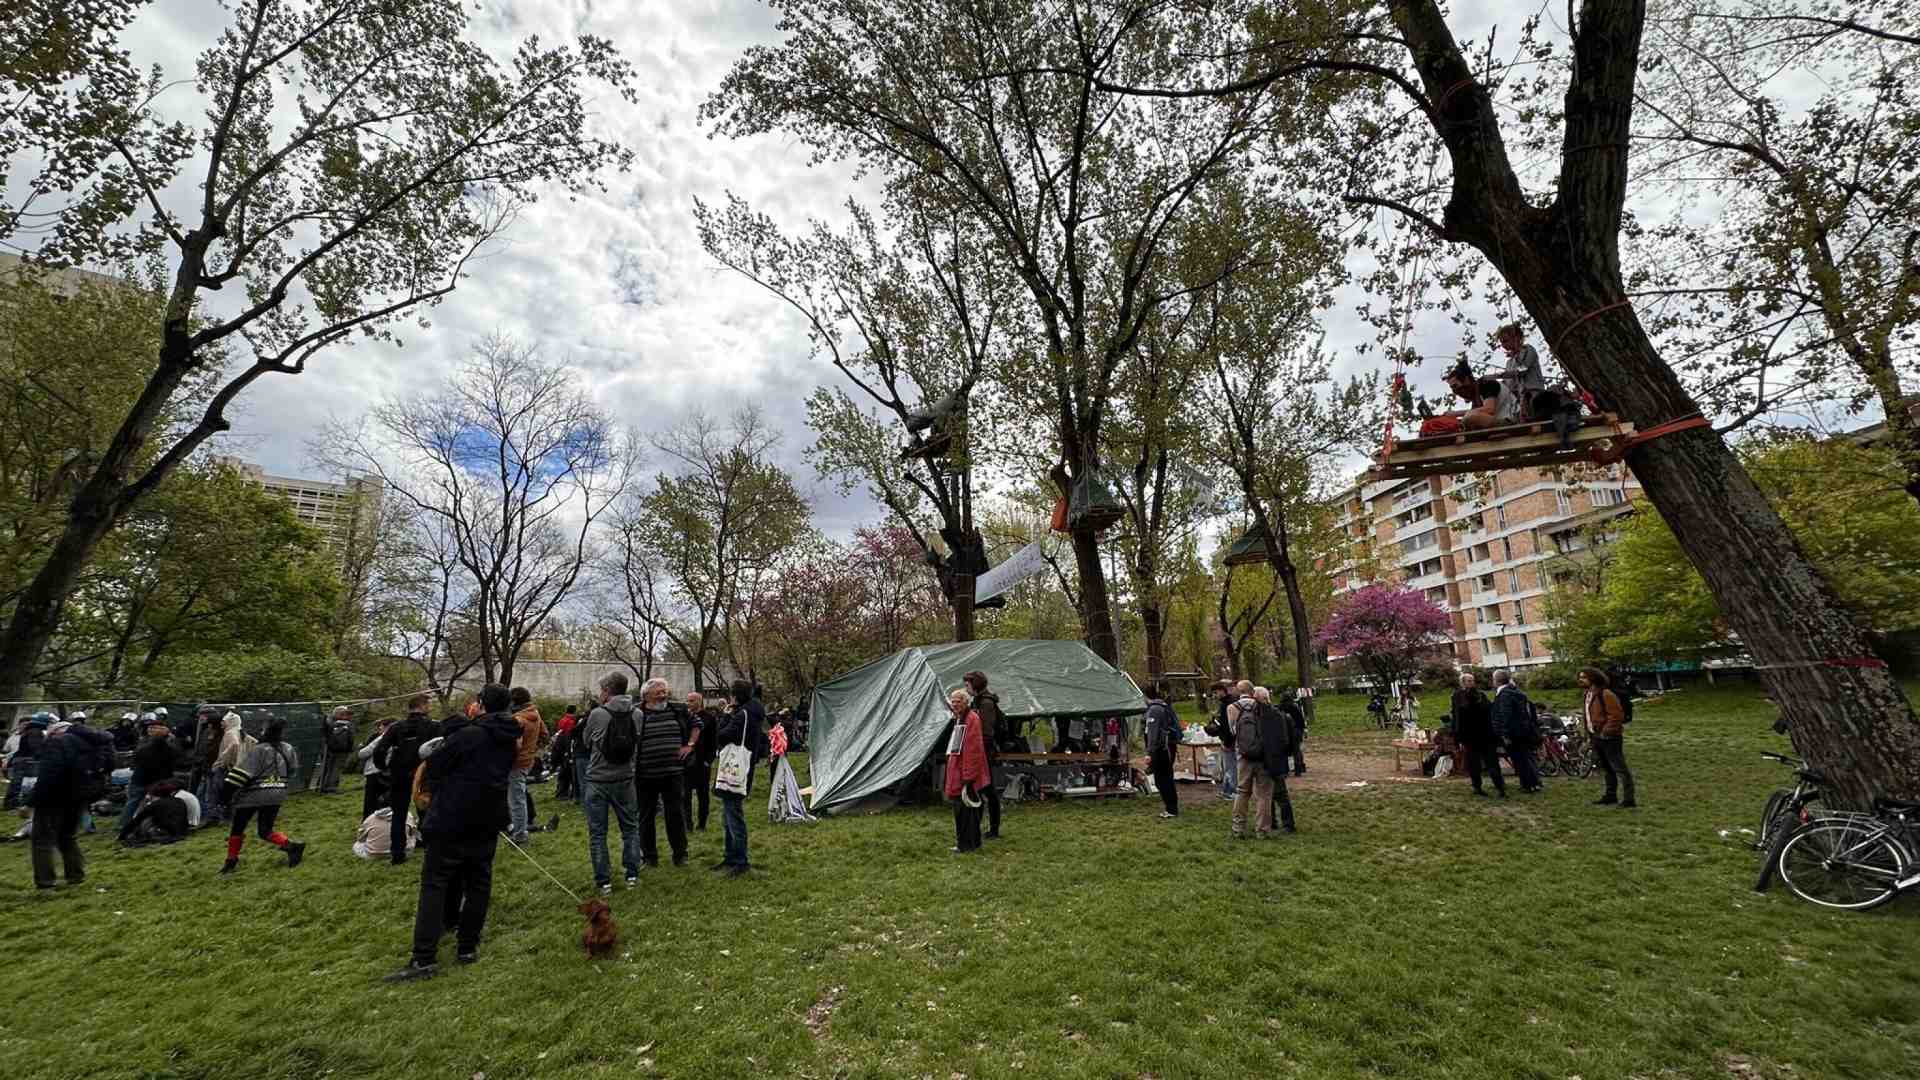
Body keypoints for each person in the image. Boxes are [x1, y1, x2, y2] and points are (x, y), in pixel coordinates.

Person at [386, 683, 521, 981]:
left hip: (453, 818)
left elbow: (434, 768)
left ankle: (424, 958)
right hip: (488, 818)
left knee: (435, 883)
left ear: (482, 704)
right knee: (478, 882)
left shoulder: (467, 736)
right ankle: (467, 947)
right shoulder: (509, 738)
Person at [29, 718, 113, 889]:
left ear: (57, 732)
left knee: (42, 840)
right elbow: (109, 766)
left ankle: (45, 881)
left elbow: (48, 775)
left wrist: (30, 802)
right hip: (79, 796)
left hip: (52, 797)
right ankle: (75, 875)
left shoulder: (57, 743)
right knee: (68, 836)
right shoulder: (97, 743)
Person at [219, 715, 307, 874]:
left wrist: (224, 797)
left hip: (253, 796)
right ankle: (291, 846)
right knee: (265, 830)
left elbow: (240, 775)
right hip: (278, 793)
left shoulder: (259, 750)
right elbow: (292, 771)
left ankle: (231, 861)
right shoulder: (288, 748)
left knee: (238, 828)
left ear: (265, 731)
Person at [582, 671, 644, 894]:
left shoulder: (598, 714)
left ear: (607, 691)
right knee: (630, 828)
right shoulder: (638, 714)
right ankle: (632, 876)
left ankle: (604, 882)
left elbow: (586, 740)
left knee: (598, 833)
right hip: (625, 778)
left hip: (598, 778)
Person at [632, 678, 689, 869]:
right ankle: (649, 856)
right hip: (645, 774)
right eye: (658, 692)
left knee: (675, 814)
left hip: (673, 773)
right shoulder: (636, 713)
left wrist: (690, 745)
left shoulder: (677, 710)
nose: (663, 695)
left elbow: (698, 723)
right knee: (646, 816)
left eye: (665, 691)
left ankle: (680, 855)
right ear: (646, 695)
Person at [713, 679, 767, 876]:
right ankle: (731, 857)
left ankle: (739, 860)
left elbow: (722, 735)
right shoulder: (754, 712)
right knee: (729, 813)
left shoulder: (741, 714)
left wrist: (726, 716)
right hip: (746, 765)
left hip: (736, 768)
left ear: (735, 696)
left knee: (733, 815)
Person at [383, 695, 441, 865]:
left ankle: (397, 853)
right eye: (428, 704)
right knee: (426, 811)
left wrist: (384, 768)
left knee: (398, 814)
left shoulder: (396, 727)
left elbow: (381, 749)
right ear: (422, 706)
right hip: (424, 774)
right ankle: (431, 848)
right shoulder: (434, 726)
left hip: (399, 773)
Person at [1579, 667, 1637, 808]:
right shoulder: (1587, 694)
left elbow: (1616, 715)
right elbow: (1588, 716)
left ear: (1593, 678)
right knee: (1606, 768)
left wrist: (1606, 732)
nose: (1580, 680)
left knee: (1619, 767)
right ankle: (1610, 796)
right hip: (1596, 736)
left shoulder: (1605, 694)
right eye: (1580, 677)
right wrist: (1589, 734)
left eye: (1584, 677)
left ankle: (1629, 799)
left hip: (1609, 737)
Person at [943, 687, 990, 854]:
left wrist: (968, 776)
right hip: (961, 771)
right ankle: (970, 843)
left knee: (965, 810)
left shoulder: (971, 719)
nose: (955, 704)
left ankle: (966, 845)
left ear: (966, 702)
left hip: (965, 773)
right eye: (953, 701)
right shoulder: (961, 718)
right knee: (967, 810)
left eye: (958, 701)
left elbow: (973, 749)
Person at [961, 671, 1004, 839]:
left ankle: (993, 829)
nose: (966, 688)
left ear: (975, 684)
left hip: (984, 751)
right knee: (983, 788)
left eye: (967, 685)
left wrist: (978, 753)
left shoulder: (986, 703)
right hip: (979, 751)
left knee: (988, 789)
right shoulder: (977, 701)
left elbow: (986, 732)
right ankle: (979, 827)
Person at [1228, 686, 1275, 839]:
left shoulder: (1232, 708)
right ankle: (1262, 830)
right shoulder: (1262, 706)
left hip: (1243, 756)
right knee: (1264, 795)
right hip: (1262, 757)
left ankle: (1238, 828)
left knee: (1242, 792)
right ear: (1252, 690)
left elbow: (1233, 732)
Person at [121, 713, 177, 834]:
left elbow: (174, 755)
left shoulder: (165, 743)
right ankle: (125, 826)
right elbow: (139, 757)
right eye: (150, 728)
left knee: (145, 803)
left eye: (155, 728)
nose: (151, 729)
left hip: (155, 779)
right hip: (145, 778)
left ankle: (147, 825)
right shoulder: (145, 742)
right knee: (134, 802)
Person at [1451, 673, 1505, 798]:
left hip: (1485, 734)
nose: (1471, 683)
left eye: (1472, 680)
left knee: (1492, 762)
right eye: (1468, 681)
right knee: (1474, 763)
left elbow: (1489, 712)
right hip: (1470, 736)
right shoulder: (1458, 696)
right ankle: (1477, 786)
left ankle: (1500, 787)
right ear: (1463, 683)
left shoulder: (1481, 695)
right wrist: (1457, 735)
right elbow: (1457, 716)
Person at [507, 687, 549, 846]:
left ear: (514, 701)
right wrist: (532, 750)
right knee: (519, 797)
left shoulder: (518, 720)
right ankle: (519, 830)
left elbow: (515, 745)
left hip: (515, 763)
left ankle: (520, 835)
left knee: (516, 800)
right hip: (527, 762)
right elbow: (545, 736)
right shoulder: (536, 715)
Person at [1490, 669, 1542, 793]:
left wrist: (1504, 733)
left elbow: (1505, 715)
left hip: (1513, 733)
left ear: (1496, 681)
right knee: (1527, 757)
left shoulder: (1504, 695)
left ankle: (1528, 785)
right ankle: (1535, 783)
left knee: (1520, 760)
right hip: (1524, 730)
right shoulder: (1517, 692)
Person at [1259, 688, 1300, 834]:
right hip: (1278, 760)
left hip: (1271, 760)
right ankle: (1280, 823)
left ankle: (1283, 824)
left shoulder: (1267, 716)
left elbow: (1283, 740)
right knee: (1275, 795)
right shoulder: (1281, 715)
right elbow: (1290, 740)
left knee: (1275, 794)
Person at [1144, 682, 1181, 819]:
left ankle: (1171, 809)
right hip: (1168, 746)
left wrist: (1149, 753)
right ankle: (1171, 807)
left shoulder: (1154, 710)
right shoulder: (1164, 706)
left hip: (1161, 748)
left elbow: (1153, 733)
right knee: (1166, 778)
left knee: (1162, 780)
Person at [119, 781, 191, 846]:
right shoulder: (179, 800)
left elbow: (136, 820)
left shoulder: (155, 804)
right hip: (183, 832)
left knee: (147, 820)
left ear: (156, 795)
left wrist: (122, 835)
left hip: (166, 833)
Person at [681, 691, 712, 831]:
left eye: (692, 700)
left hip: (702, 762)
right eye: (688, 700)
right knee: (685, 795)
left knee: (703, 795)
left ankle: (702, 823)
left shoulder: (709, 718)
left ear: (699, 701)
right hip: (686, 762)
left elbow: (714, 739)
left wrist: (708, 760)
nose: (689, 703)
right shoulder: (684, 717)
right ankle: (688, 824)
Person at [5, 712, 48, 810]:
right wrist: (41, 755)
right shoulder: (35, 731)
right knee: (19, 783)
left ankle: (12, 803)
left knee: (18, 783)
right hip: (25, 760)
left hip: (22, 759)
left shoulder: (30, 730)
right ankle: (12, 804)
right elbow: (35, 747)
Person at [1203, 680, 1237, 800]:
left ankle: (1232, 791)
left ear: (1223, 691)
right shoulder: (1224, 703)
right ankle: (1227, 790)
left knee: (1231, 767)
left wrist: (1227, 742)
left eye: (1216, 692)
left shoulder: (1229, 704)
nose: (1215, 695)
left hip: (1230, 741)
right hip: (1226, 739)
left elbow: (1228, 726)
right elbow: (1222, 724)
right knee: (1227, 767)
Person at [357, 715, 396, 821]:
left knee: (371, 804)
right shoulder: (401, 738)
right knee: (387, 802)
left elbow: (363, 754)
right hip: (392, 773)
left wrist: (362, 749)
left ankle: (368, 826)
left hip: (375, 772)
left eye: (381, 726)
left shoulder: (383, 738)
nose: (379, 728)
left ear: (388, 727)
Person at [317, 705, 355, 794]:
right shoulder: (348, 725)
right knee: (336, 768)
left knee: (326, 767)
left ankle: (321, 785)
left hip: (329, 749)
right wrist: (350, 749)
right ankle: (331, 787)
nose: (349, 716)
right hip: (341, 750)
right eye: (346, 713)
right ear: (340, 714)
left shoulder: (329, 723)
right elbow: (351, 739)